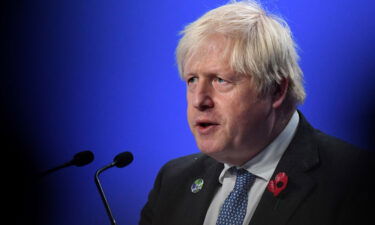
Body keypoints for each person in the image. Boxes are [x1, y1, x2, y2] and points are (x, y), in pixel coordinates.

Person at [139, 1, 374, 225]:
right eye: (192, 80)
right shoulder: (173, 181)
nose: (199, 100)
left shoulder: (355, 180)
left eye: (220, 80)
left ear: (275, 90)